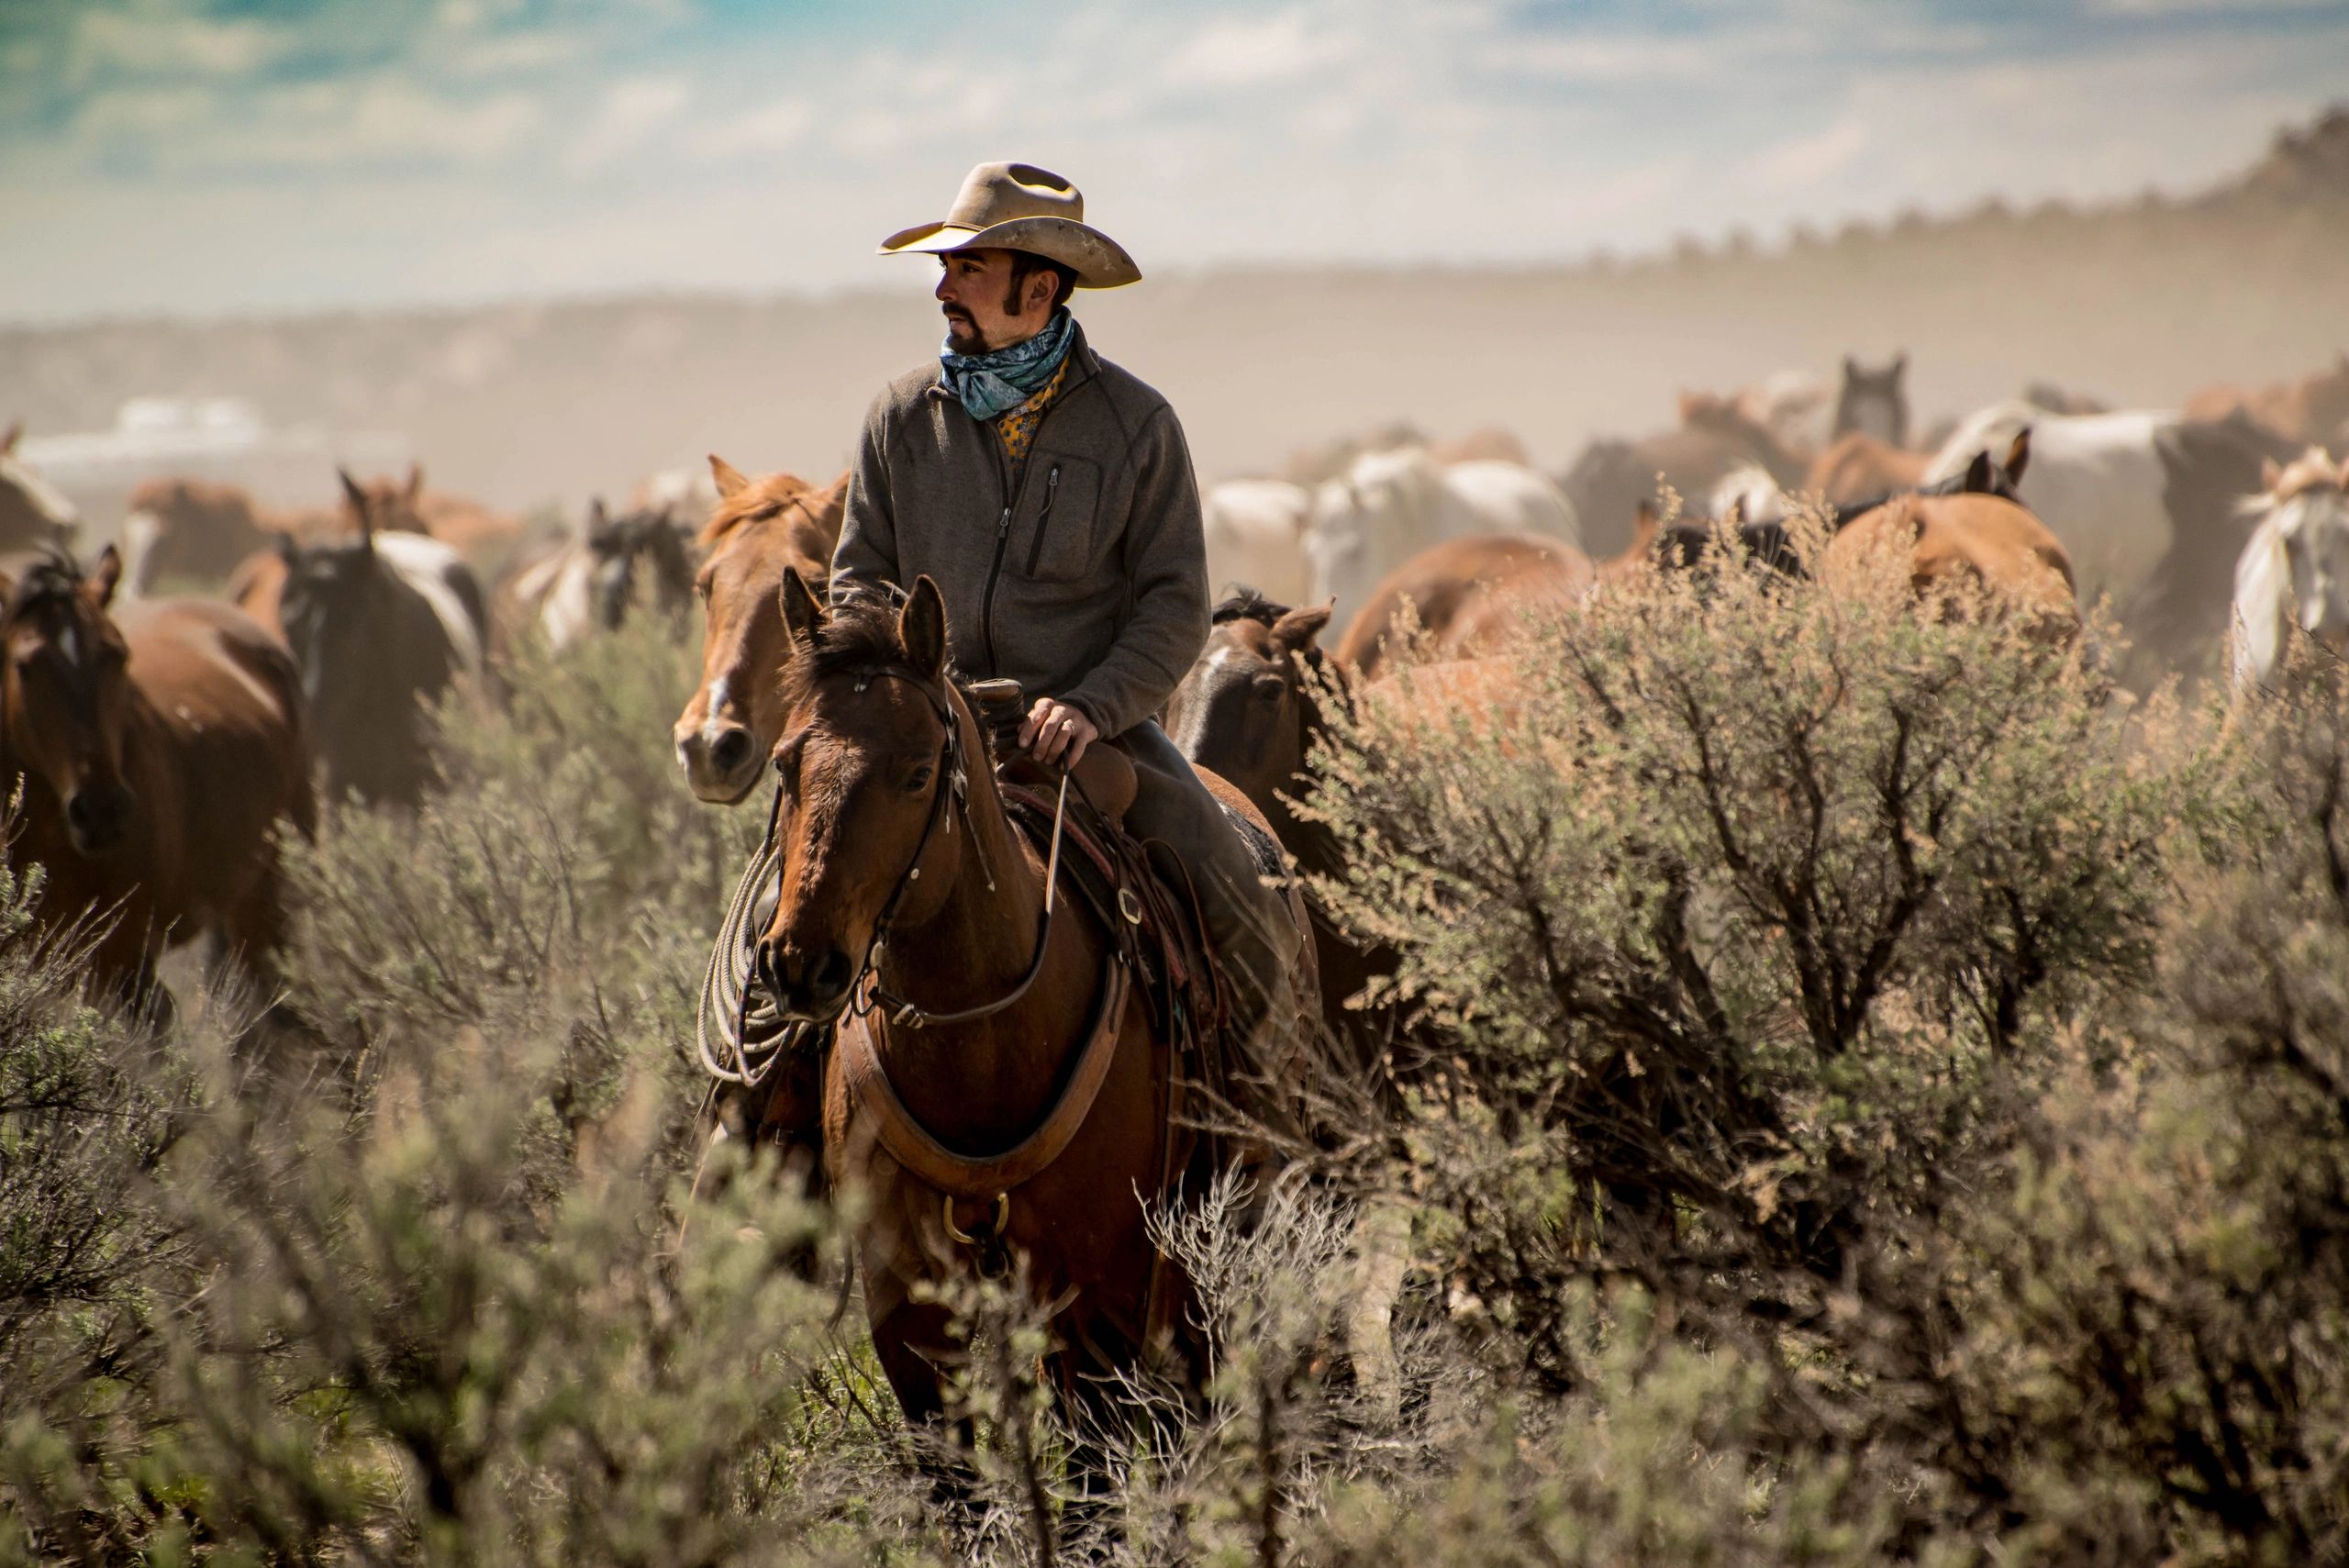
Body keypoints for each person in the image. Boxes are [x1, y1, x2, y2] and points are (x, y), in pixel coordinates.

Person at [831, 160, 1306, 1083]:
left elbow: (1174, 605)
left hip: (1096, 739)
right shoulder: (897, 419)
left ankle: (1256, 1140)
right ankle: (751, 1131)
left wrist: (1091, 704)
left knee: (1240, 899)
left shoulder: (1137, 425)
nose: (943, 287)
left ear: (1038, 288)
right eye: (946, 266)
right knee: (788, 901)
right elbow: (858, 582)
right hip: (924, 733)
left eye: (968, 267)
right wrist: (898, 696)